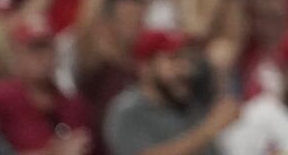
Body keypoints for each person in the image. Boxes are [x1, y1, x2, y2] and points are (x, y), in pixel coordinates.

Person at [102, 29, 239, 155]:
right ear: (145, 68)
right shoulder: (128, 111)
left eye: (185, 59)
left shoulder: (188, 104)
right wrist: (209, 130)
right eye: (173, 59)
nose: (184, 68)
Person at [0, 17, 93, 155]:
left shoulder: (74, 106)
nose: (40, 56)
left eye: (45, 47)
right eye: (32, 49)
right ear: (16, 53)